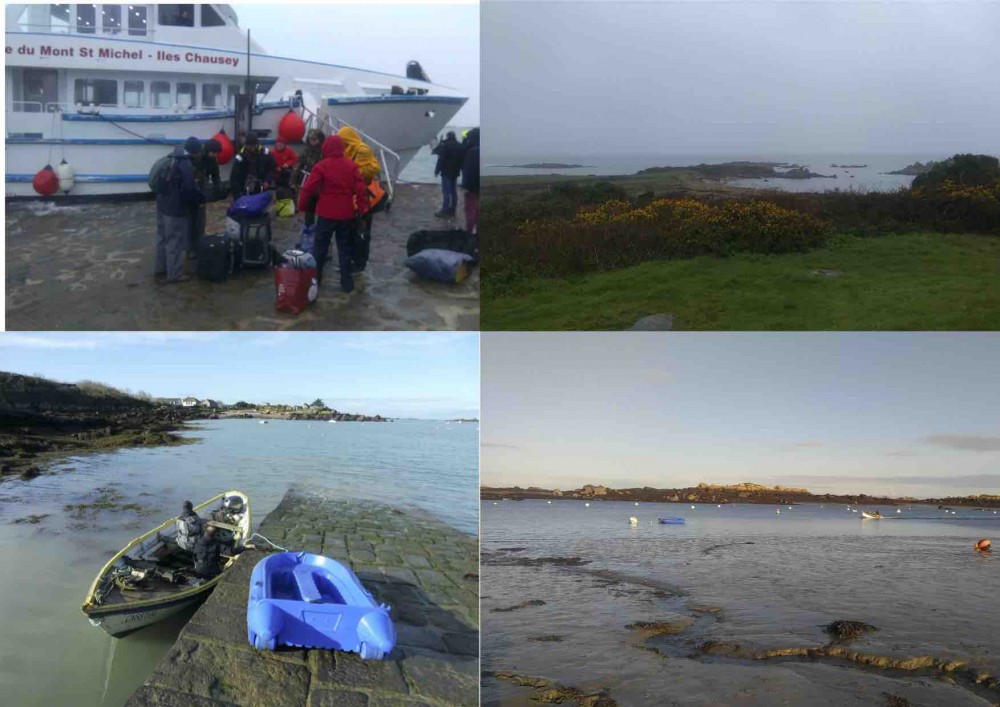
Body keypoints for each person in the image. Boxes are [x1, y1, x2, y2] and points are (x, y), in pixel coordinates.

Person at [297, 134, 369, 292]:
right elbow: (361, 190)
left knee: (320, 249)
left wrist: (302, 206)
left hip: (326, 214)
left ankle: (316, 281)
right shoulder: (351, 166)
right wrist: (363, 209)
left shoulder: (321, 166)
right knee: (344, 249)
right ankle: (347, 284)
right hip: (346, 214)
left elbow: (308, 188)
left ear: (326, 148)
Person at [155, 136, 205, 283]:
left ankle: (160, 269)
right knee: (174, 240)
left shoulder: (171, 158)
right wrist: (200, 200)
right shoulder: (186, 164)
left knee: (161, 238)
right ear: (194, 151)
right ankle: (175, 274)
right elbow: (189, 188)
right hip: (174, 208)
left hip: (161, 204)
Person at [337, 126, 383, 273]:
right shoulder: (346, 151)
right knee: (351, 231)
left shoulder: (362, 149)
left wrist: (353, 172)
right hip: (351, 197)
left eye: (343, 141)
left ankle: (360, 262)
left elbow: (374, 168)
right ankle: (351, 259)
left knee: (361, 231)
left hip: (363, 195)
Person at [293, 128, 326, 226]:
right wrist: (294, 181)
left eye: (315, 139)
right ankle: (309, 228)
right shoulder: (305, 151)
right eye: (311, 139)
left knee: (323, 210)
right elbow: (298, 166)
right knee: (309, 208)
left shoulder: (325, 151)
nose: (313, 141)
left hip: (322, 184)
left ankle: (321, 229)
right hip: (309, 183)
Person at [433, 131, 465, 217]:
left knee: (446, 192)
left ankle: (444, 210)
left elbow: (441, 159)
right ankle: (453, 209)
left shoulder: (445, 146)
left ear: (448, 136)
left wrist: (437, 171)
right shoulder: (460, 146)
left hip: (446, 172)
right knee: (453, 192)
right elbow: (462, 160)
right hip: (455, 172)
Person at [460, 128, 480, 234]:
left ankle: (469, 234)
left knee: (470, 212)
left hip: (472, 188)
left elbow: (469, 171)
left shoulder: (472, 152)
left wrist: (466, 186)